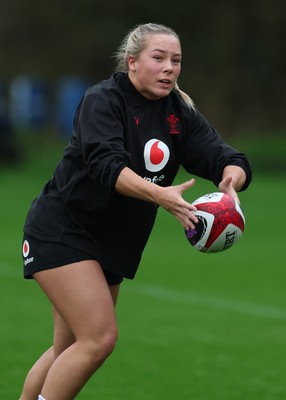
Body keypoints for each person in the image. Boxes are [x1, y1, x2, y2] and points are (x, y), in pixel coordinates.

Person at [20, 22, 252, 400]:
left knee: (70, 348)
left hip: (112, 241)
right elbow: (106, 167)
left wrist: (231, 181)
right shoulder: (103, 100)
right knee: (98, 338)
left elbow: (226, 156)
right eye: (158, 58)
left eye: (175, 61)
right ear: (131, 62)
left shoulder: (179, 110)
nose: (169, 68)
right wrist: (160, 195)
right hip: (64, 228)